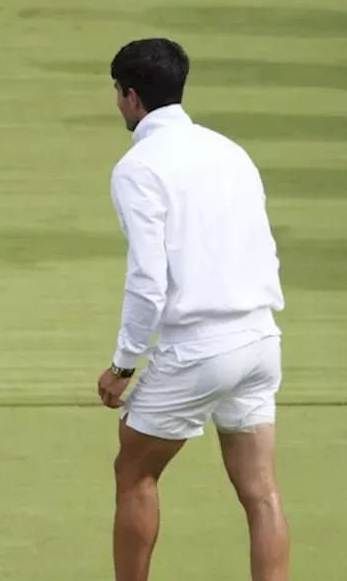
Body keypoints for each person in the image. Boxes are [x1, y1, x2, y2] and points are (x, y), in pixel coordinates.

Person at [97, 39, 290, 581]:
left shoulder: (137, 168)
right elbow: (263, 244)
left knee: (134, 474)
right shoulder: (231, 151)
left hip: (199, 349)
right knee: (261, 493)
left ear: (131, 97)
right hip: (260, 340)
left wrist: (123, 365)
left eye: (117, 94)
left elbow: (148, 281)